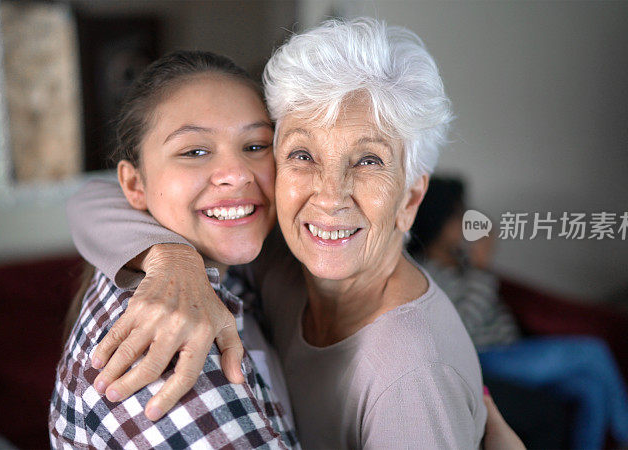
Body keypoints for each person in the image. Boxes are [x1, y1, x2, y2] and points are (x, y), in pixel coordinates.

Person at [68, 19, 491, 448]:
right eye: (303, 154)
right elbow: (93, 198)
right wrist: (169, 259)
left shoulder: (415, 376)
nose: (330, 197)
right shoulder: (276, 260)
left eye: (368, 161)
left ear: (410, 198)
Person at [49, 50, 298, 448]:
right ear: (134, 185)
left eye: (255, 145)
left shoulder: (225, 266)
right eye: (194, 151)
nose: (235, 174)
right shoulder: (172, 361)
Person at [409, 176, 628, 450]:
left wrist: (477, 258)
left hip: (512, 350)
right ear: (436, 221)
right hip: (488, 359)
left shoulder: (460, 258)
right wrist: (482, 267)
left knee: (591, 389)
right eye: (457, 214)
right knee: (592, 351)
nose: (465, 219)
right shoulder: (427, 272)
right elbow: (465, 325)